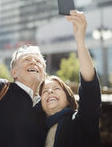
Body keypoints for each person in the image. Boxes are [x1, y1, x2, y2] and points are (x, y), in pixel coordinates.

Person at [39, 10, 102, 147]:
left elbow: (89, 86)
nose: (49, 92)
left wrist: (80, 40)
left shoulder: (81, 122)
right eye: (44, 91)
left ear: (68, 99)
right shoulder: (36, 132)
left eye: (56, 88)